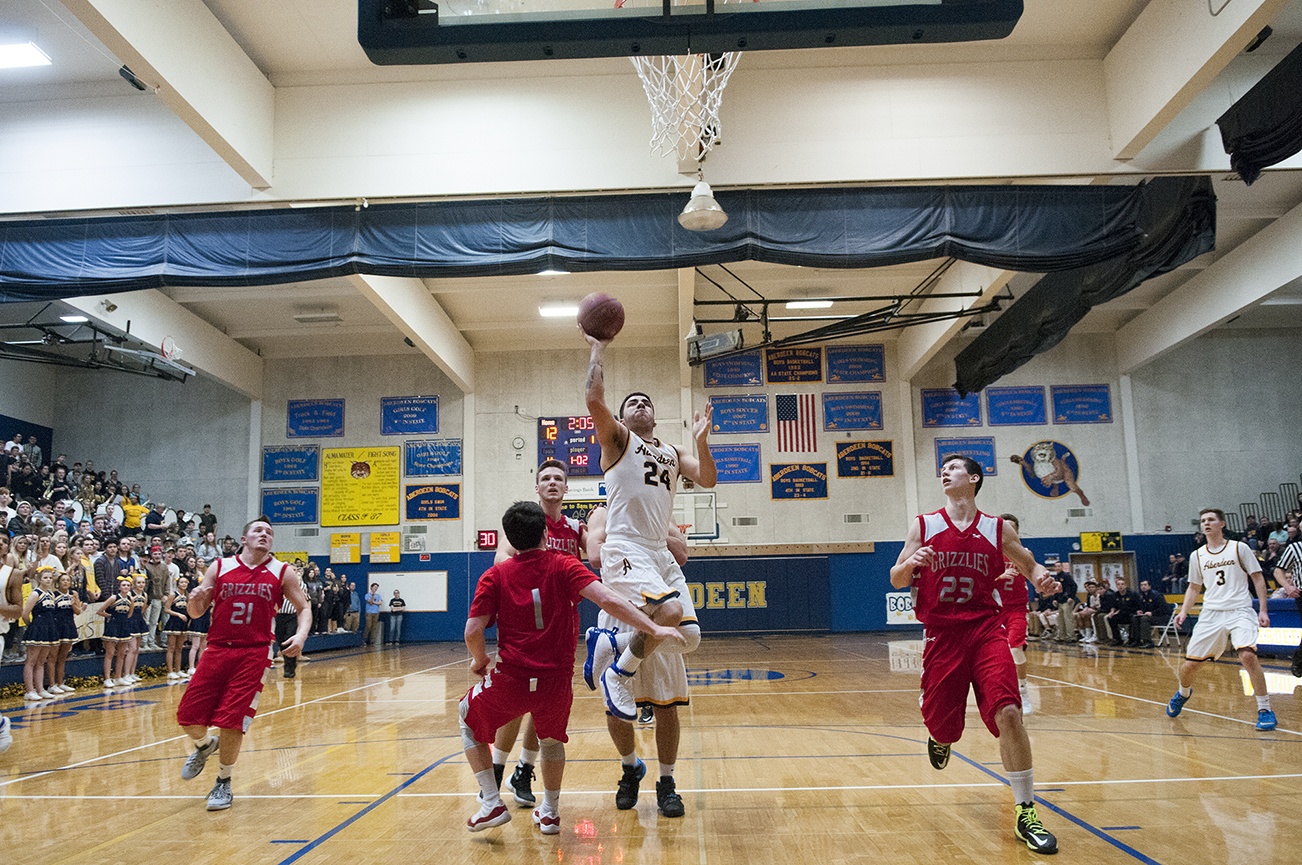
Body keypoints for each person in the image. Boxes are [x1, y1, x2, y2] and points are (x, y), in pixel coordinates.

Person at [460, 501, 685, 834]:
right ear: (545, 536)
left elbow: (472, 630)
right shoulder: (564, 565)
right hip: (555, 681)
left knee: (466, 718)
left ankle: (492, 801)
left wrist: (480, 660)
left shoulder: (494, 576)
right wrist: (652, 629)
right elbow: (609, 600)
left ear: (508, 538)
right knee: (551, 742)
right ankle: (549, 813)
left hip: (513, 679)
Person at [889, 454, 1060, 854]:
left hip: (986, 630)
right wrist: (911, 563)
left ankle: (1026, 812)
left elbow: (1028, 563)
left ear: (974, 478)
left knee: (1010, 713)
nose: (944, 472)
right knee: (945, 727)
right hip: (943, 636)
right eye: (942, 469)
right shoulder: (924, 524)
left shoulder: (996, 528)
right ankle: (941, 736)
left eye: (953, 467)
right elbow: (896, 578)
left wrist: (1042, 578)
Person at [579, 333, 715, 817]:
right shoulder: (618, 441)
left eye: (645, 401)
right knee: (671, 614)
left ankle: (666, 779)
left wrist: (700, 439)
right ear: (623, 417)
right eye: (630, 402)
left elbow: (710, 478)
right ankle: (629, 765)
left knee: (689, 642)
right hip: (627, 550)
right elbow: (594, 398)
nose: (638, 404)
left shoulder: (674, 452)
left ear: (655, 416)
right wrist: (598, 348)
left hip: (658, 555)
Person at [176, 516, 310, 810]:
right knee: (187, 715)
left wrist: (300, 636)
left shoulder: (282, 571)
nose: (264, 534)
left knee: (231, 720)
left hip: (254, 652)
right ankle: (203, 745)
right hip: (217, 648)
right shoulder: (220, 566)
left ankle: (223, 782)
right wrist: (192, 599)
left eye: (269, 532)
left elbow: (303, 607)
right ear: (244, 539)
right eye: (258, 530)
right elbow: (197, 613)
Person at [489, 458, 590, 810]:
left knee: (544, 705)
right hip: (524, 626)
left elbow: (599, 556)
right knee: (516, 704)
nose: (551, 483)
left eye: (558, 479)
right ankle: (498, 769)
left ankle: (523, 769)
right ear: (536, 487)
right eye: (545, 478)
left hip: (561, 627)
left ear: (566, 488)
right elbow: (501, 559)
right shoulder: (527, 524)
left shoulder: (576, 528)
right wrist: (537, 567)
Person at [588, 504, 693, 810]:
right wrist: (631, 528)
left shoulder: (661, 510)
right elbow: (595, 556)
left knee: (666, 704)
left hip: (659, 611)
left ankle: (667, 781)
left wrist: (652, 529)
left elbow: (682, 555)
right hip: (621, 612)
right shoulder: (601, 513)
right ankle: (630, 767)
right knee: (615, 707)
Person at [1166, 508, 1276, 731]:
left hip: (1239, 610)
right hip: (1211, 613)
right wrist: (1184, 611)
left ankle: (1264, 709)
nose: (1206, 523)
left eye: (1211, 520)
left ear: (1222, 524)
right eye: (1203, 521)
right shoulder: (1197, 555)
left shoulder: (1239, 548)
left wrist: (1263, 610)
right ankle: (1183, 693)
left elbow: (1258, 579)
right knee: (1189, 667)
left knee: (1247, 656)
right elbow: (1194, 587)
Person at [995, 514, 1034, 714]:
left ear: (1016, 532)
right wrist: (1000, 576)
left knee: (1015, 649)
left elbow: (1033, 573)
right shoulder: (991, 552)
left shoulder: (1025, 553)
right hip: (995, 609)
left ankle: (1023, 692)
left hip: (1017, 608)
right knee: (996, 655)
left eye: (1011, 528)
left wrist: (1044, 582)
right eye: (1004, 528)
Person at [163, 576, 191, 680]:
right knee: (171, 648)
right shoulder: (172, 594)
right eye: (182, 582)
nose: (184, 584)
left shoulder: (187, 595)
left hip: (183, 624)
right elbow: (166, 609)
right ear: (178, 583)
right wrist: (178, 614)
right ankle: (170, 671)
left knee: (179, 648)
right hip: (173, 622)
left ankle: (178, 670)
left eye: (185, 582)